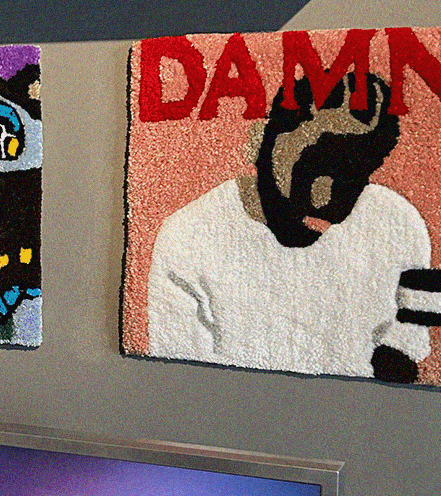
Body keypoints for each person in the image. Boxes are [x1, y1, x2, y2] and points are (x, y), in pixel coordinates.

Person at [147, 71, 432, 382]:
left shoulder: (398, 224)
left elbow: (410, 344)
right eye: (310, 165)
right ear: (258, 143)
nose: (327, 199)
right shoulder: (188, 237)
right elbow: (182, 377)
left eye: (354, 174)